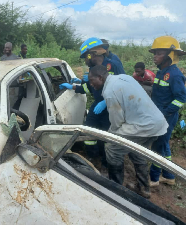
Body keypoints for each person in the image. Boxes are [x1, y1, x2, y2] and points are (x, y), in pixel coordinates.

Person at [88, 65, 168, 198]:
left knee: (112, 148)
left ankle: (115, 189)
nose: (91, 84)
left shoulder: (109, 91)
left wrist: (110, 136)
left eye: (92, 80)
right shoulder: (123, 77)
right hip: (156, 122)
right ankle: (144, 189)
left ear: (100, 77)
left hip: (143, 126)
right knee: (137, 152)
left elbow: (116, 122)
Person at [59, 37, 125, 173]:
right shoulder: (92, 69)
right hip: (98, 105)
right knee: (90, 130)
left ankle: (108, 166)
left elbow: (123, 88)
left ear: (92, 54)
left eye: (85, 57)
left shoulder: (113, 65)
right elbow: (89, 88)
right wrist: (73, 87)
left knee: (109, 137)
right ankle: (93, 158)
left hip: (112, 107)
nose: (85, 60)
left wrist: (106, 101)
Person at [149, 36, 186, 187]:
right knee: (164, 145)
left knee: (158, 147)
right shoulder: (161, 72)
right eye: (154, 53)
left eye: (158, 53)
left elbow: (181, 98)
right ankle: (169, 176)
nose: (155, 57)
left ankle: (154, 179)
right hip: (160, 114)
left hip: (166, 117)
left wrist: (165, 112)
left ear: (169, 55)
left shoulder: (175, 75)